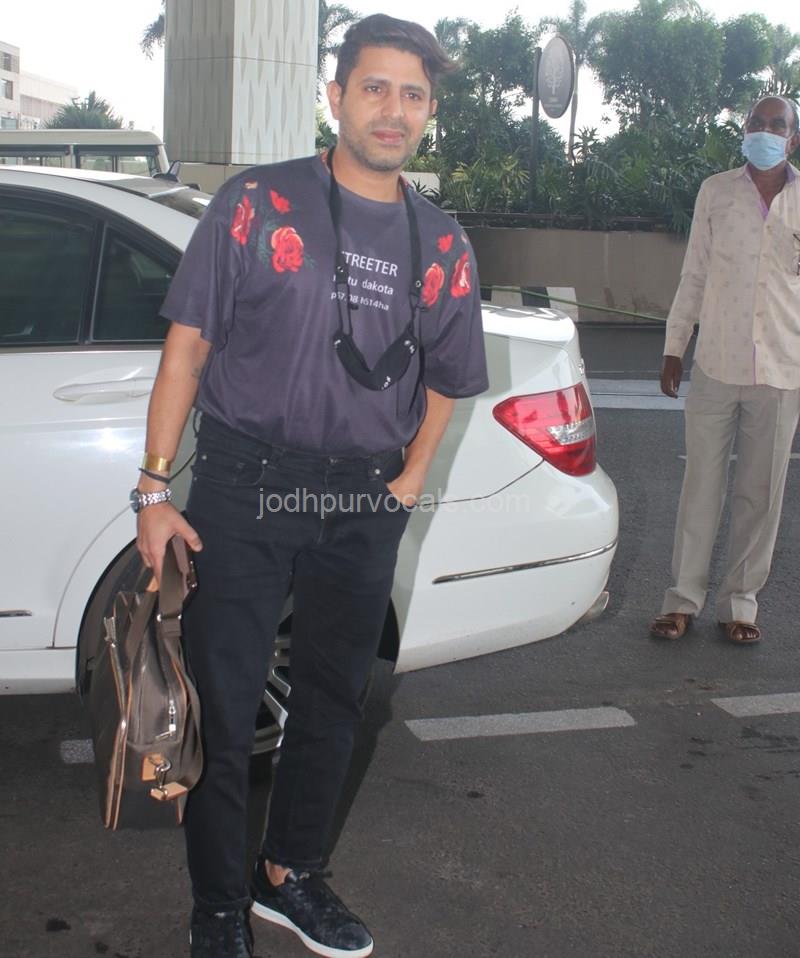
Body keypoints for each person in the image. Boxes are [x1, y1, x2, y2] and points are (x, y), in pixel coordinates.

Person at [133, 13, 488, 958]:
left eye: (413, 95)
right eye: (375, 88)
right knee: (223, 704)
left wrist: (409, 480)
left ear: (428, 112)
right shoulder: (256, 203)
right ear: (335, 98)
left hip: (364, 497)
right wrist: (153, 491)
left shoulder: (442, 242)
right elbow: (187, 348)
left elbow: (449, 378)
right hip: (245, 485)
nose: (393, 110)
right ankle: (217, 909)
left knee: (333, 700)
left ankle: (289, 876)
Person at [650, 95, 800, 645]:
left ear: (793, 139)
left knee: (761, 495)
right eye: (756, 122)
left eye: (776, 125)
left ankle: (741, 603)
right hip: (716, 359)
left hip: (783, 367)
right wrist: (675, 346)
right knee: (701, 487)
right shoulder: (716, 191)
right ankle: (682, 599)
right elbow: (694, 273)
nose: (764, 131)